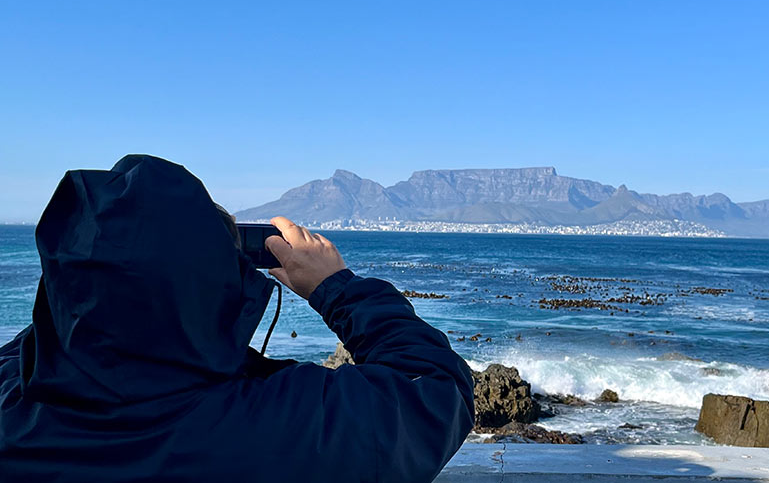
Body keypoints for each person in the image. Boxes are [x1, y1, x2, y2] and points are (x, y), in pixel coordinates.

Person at [0, 155, 475, 482]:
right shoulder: (276, 427)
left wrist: (89, 284)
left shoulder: (14, 411)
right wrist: (335, 285)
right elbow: (435, 388)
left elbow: (69, 331)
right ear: (218, 282)